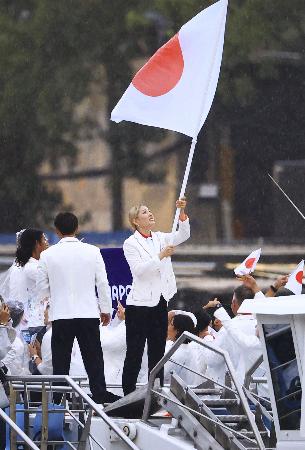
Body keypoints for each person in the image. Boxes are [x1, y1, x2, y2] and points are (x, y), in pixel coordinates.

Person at [36, 212, 119, 404]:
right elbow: (103, 284)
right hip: (88, 313)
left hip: (61, 315)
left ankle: (58, 400)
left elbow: (41, 290)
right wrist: (106, 309)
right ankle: (100, 396)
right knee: (94, 359)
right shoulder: (92, 251)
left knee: (61, 363)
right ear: (77, 228)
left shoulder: (47, 255)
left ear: (56, 231)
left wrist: (56, 293)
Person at [122, 198, 190, 395]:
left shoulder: (160, 237)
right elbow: (140, 271)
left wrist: (183, 212)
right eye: (144, 212)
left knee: (158, 351)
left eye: (149, 210)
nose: (150, 214)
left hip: (160, 301)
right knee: (134, 351)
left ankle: (156, 392)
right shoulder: (130, 243)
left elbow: (183, 234)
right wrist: (160, 256)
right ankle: (128, 393)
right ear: (135, 220)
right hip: (139, 305)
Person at [15, 228, 49, 333]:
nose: (47, 242)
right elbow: (53, 280)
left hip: (41, 320)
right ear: (36, 244)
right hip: (36, 322)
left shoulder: (37, 264)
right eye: (44, 239)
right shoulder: (31, 267)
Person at [164, 313, 196, 385]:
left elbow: (161, 375)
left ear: (177, 331)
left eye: (171, 325)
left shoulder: (176, 353)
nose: (168, 327)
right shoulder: (185, 348)